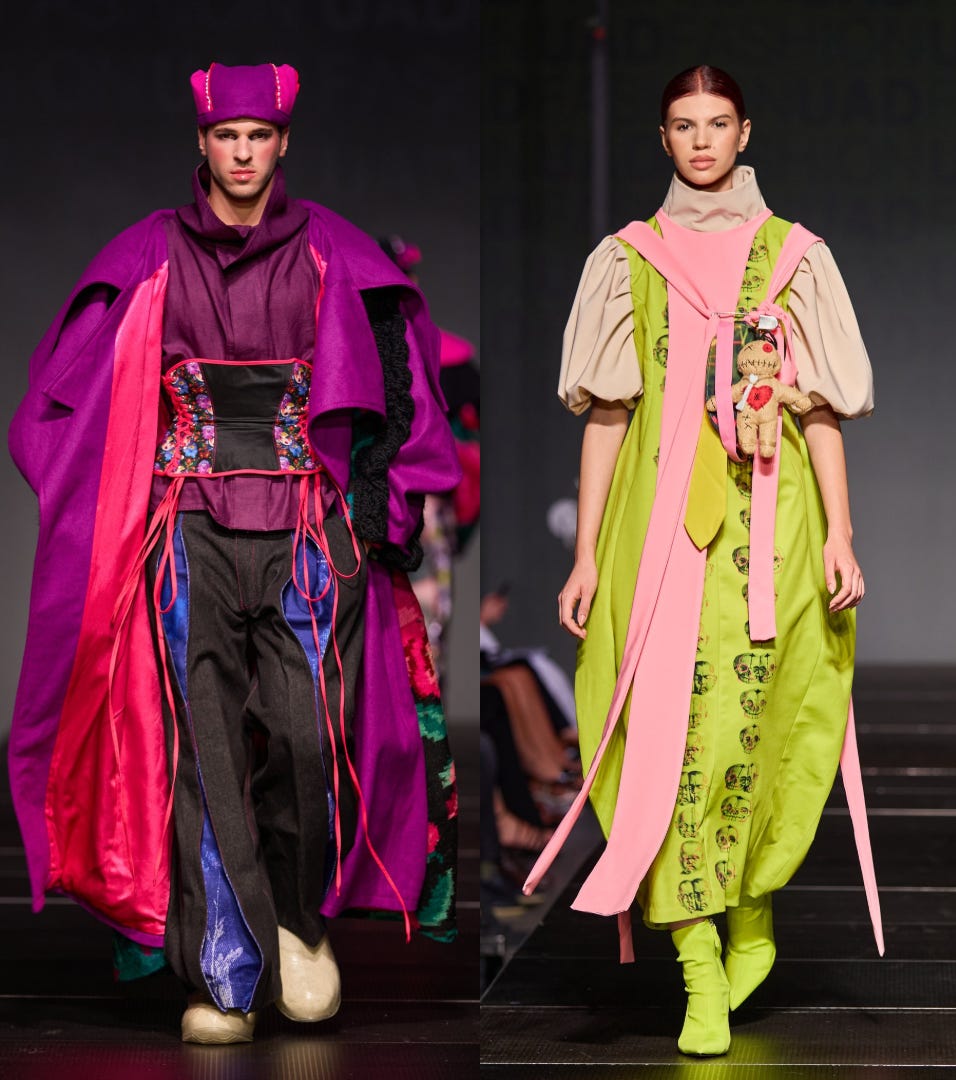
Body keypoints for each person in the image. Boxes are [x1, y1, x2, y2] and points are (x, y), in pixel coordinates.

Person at [7, 62, 461, 1044]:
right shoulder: (149, 253)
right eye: (227, 136)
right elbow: (66, 399)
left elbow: (400, 384)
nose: (244, 153)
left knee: (309, 739)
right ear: (203, 143)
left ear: (284, 142)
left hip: (308, 528)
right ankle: (227, 969)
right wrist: (114, 505)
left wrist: (377, 512)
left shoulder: (335, 249)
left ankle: (297, 928)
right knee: (202, 747)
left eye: (260, 136)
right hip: (187, 527)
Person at [522, 64, 883, 1056]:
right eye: (684, 125)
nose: (702, 141)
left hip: (773, 529)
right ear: (664, 137)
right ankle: (698, 966)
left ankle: (753, 908)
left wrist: (842, 534)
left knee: (762, 723)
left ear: (744, 131)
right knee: (661, 742)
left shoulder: (796, 258)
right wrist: (586, 554)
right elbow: (606, 416)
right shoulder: (627, 259)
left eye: (718, 123)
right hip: (657, 536)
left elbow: (822, 414)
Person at [376, 234, 481, 684]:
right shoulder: (343, 355)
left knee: (419, 628)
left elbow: (470, 453)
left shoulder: (449, 359)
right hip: (378, 508)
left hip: (415, 508)